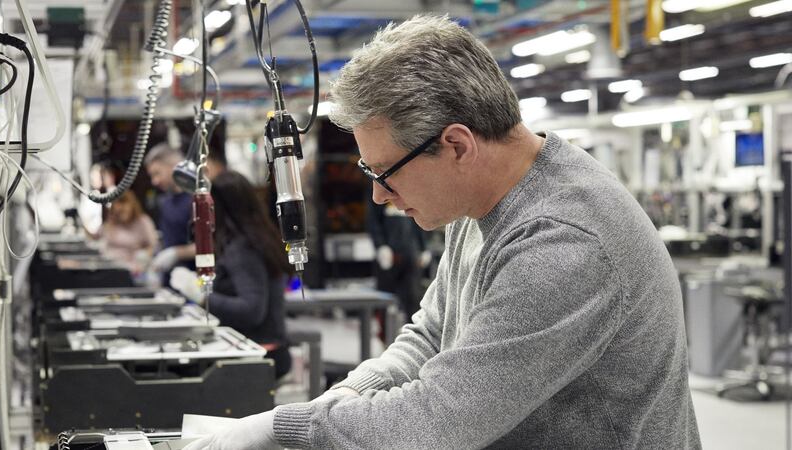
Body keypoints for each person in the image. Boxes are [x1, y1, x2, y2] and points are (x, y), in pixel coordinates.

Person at [188, 15, 700, 450]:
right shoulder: (481, 201)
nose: (378, 196)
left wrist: (283, 427)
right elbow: (433, 333)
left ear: (456, 145)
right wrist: (348, 393)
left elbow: (437, 420)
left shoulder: (563, 243)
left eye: (384, 173)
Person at [170, 171, 293, 379]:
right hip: (263, 351)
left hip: (260, 356)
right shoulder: (257, 238)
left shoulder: (243, 249)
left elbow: (252, 310)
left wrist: (201, 295)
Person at [367, 199, 431, 322]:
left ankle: (413, 335)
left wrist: (423, 248)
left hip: (411, 253)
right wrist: (381, 246)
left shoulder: (410, 192)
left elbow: (419, 220)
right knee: (385, 299)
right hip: (389, 255)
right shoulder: (379, 194)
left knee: (413, 298)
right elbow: (373, 221)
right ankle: (384, 337)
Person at [143, 143, 196, 283]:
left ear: (174, 166)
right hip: (170, 280)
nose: (155, 181)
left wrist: (177, 253)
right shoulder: (166, 202)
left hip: (193, 281)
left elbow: (211, 246)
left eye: (157, 173)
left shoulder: (196, 200)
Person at [90, 190, 158, 274]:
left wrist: (144, 255)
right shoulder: (111, 223)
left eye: (123, 204)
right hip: (108, 268)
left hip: (133, 271)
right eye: (117, 207)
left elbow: (153, 245)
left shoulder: (143, 222)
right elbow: (94, 237)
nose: (119, 208)